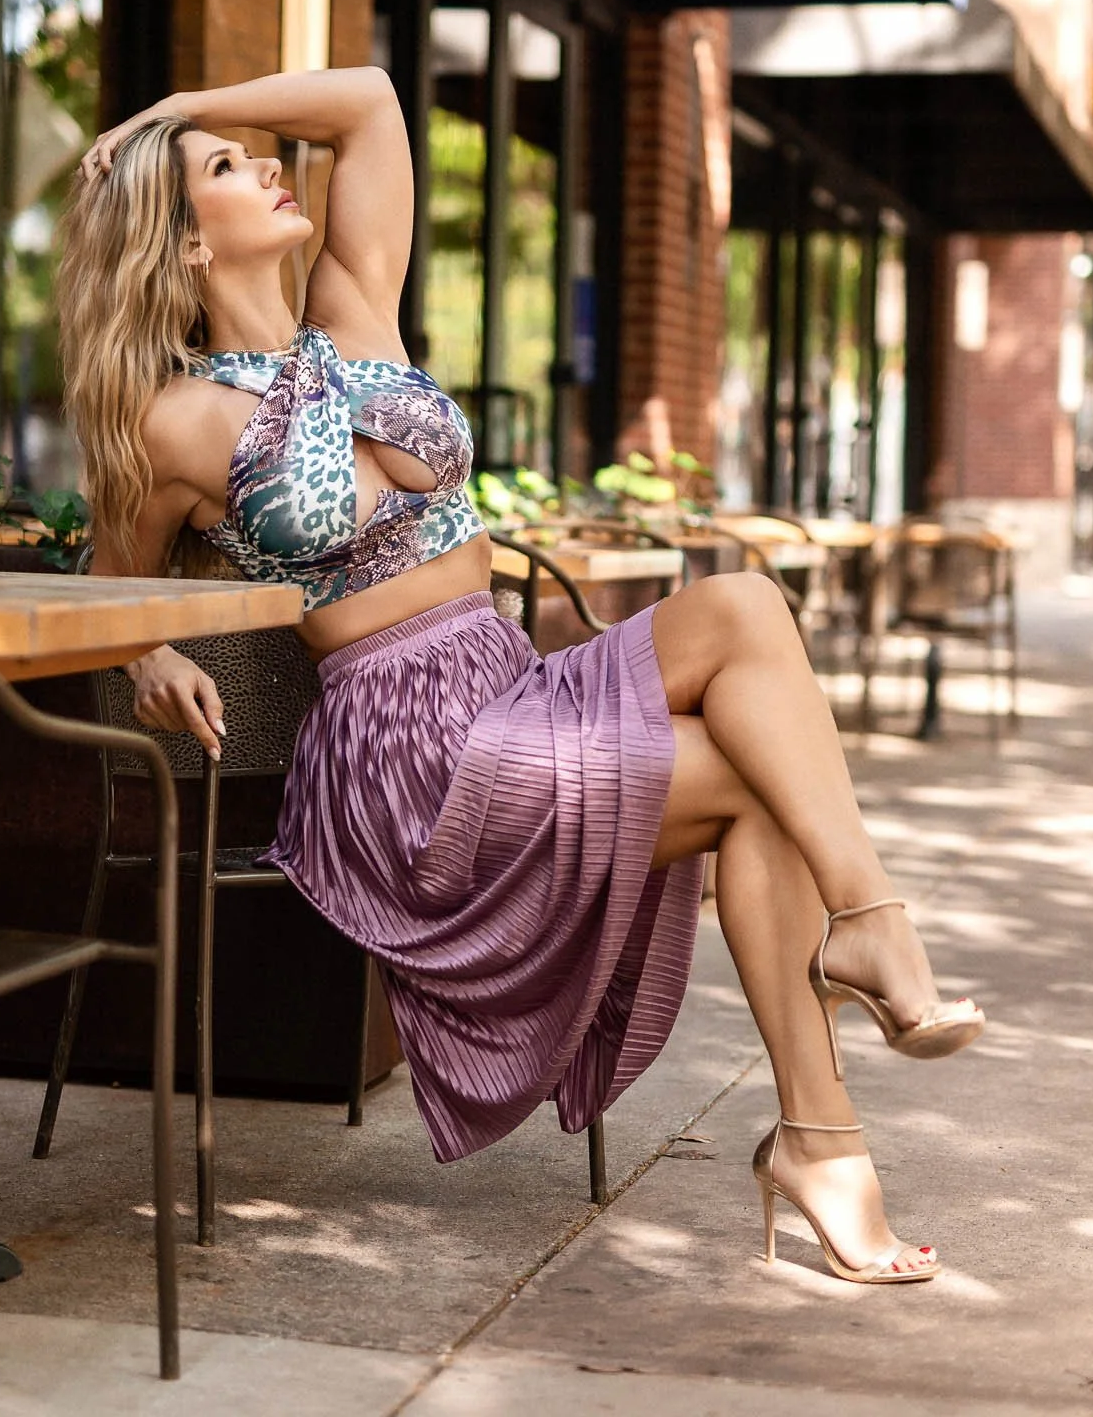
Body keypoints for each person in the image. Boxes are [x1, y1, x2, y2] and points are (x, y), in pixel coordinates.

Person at [56, 67, 984, 1284]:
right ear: (181, 244)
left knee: (747, 606)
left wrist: (172, 106)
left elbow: (369, 100)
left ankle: (854, 973)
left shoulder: (352, 315)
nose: (272, 164)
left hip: (509, 688)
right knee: (759, 779)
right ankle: (829, 1107)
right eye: (228, 168)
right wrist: (152, 648)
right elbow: (103, 582)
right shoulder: (175, 422)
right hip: (410, 763)